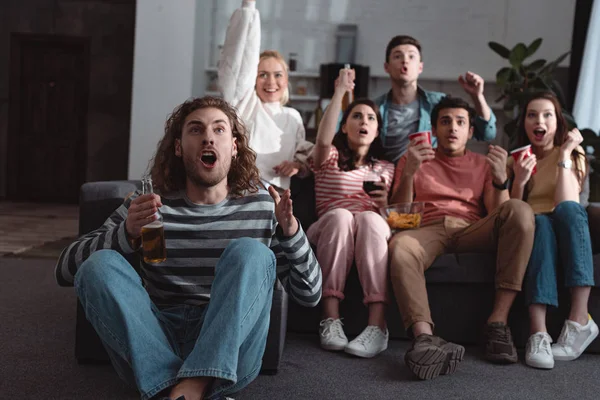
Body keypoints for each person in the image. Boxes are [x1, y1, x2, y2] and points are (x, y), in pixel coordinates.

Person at [54, 96, 322, 400]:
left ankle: (185, 387)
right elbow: (65, 269)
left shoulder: (262, 206)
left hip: (231, 349)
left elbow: (309, 295)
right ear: (179, 147)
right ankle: (182, 388)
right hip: (154, 342)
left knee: (251, 252)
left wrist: (292, 232)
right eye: (196, 129)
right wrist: (126, 233)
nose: (208, 136)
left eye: (219, 130)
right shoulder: (149, 205)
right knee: (98, 265)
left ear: (234, 147)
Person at [388, 96, 535, 380]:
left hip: (471, 227)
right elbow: (399, 218)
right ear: (433, 129)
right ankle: (424, 339)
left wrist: (499, 180)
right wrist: (409, 174)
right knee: (400, 245)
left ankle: (497, 323)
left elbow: (501, 216)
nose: (452, 128)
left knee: (520, 209)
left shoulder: (482, 163)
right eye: (445, 121)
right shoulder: (413, 159)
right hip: (426, 228)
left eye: (460, 122)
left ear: (470, 131)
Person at [308, 68, 395, 358]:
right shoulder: (329, 158)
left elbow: (394, 216)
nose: (364, 121)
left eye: (371, 118)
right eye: (356, 116)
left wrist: (384, 206)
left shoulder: (386, 168)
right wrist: (340, 92)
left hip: (371, 227)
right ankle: (330, 318)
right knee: (343, 216)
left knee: (370, 218)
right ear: (343, 127)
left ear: (377, 131)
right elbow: (322, 141)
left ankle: (377, 326)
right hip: (332, 225)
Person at [508, 91, 598, 370]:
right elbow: (513, 212)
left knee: (563, 212)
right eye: (532, 114)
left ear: (557, 122)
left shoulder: (572, 152)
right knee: (540, 222)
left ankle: (580, 319)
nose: (539, 120)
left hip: (568, 226)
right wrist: (520, 180)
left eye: (547, 114)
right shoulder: (519, 158)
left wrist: (566, 154)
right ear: (524, 123)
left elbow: (567, 204)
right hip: (536, 229)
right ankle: (539, 333)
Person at [218, 0, 313, 191]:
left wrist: (296, 166)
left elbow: (304, 157)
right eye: (262, 75)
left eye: (278, 75)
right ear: (252, 79)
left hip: (277, 196)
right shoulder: (246, 104)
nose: (271, 82)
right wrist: (249, 7)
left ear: (286, 80)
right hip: (243, 190)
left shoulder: (292, 116)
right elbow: (239, 61)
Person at [375, 35, 497, 162]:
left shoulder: (438, 103)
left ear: (420, 67)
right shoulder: (375, 108)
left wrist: (477, 96)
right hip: (387, 177)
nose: (405, 61)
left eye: (411, 56)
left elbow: (486, 134)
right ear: (386, 67)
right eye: (397, 56)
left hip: (429, 177)